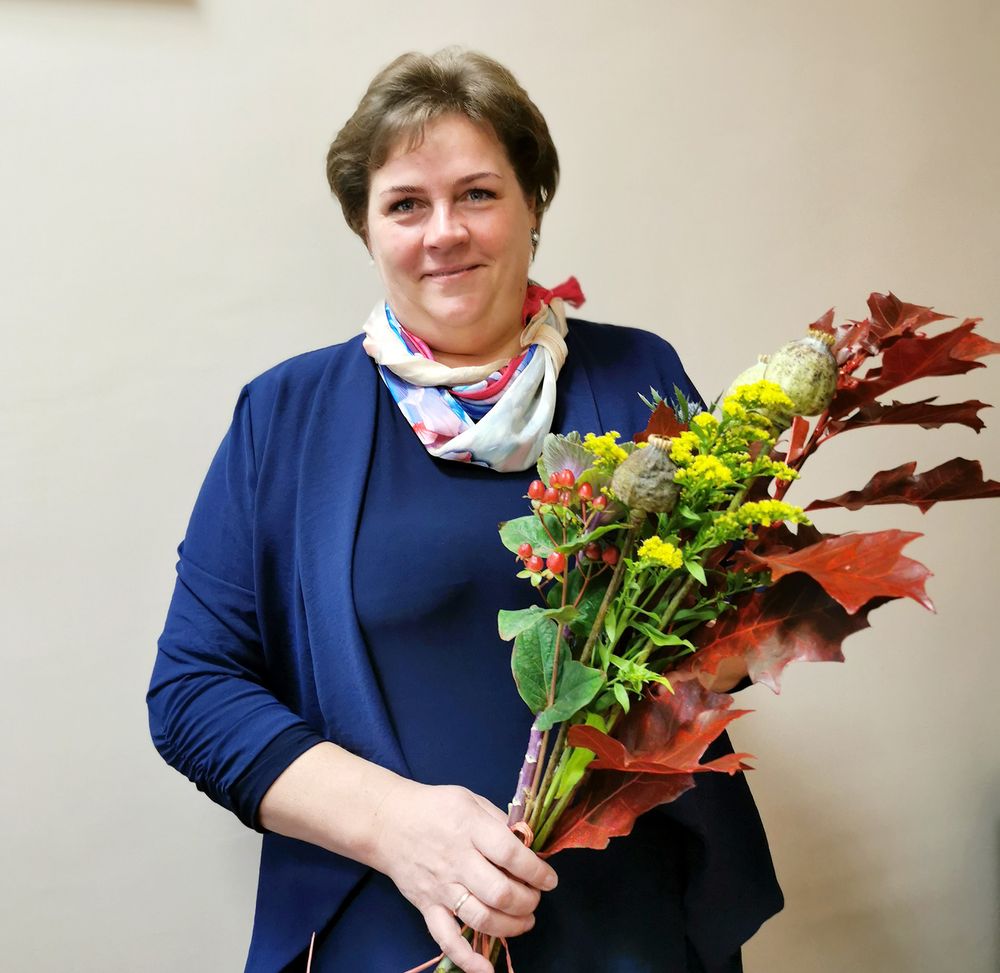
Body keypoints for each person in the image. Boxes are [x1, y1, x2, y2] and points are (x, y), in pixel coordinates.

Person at [147, 48, 783, 973]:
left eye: (478, 193)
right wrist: (399, 826)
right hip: (387, 929)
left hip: (631, 929)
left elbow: (730, 636)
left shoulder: (637, 374)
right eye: (406, 204)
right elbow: (192, 691)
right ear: (367, 228)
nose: (444, 231)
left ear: (533, 205)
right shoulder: (284, 417)